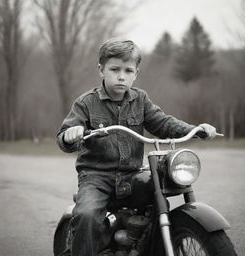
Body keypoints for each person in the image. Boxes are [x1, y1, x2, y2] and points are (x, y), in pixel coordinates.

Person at [57, 38, 217, 256]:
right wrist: (70, 135)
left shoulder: (140, 100)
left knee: (160, 193)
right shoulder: (86, 103)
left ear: (136, 73)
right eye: (114, 69)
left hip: (131, 175)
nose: (121, 76)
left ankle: (149, 243)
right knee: (86, 214)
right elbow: (64, 138)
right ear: (101, 70)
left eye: (128, 70)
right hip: (96, 177)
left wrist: (195, 129)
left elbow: (162, 122)